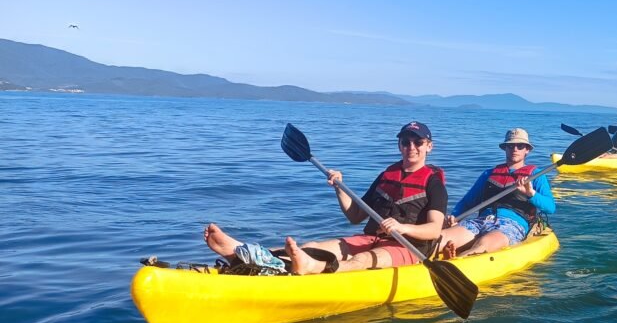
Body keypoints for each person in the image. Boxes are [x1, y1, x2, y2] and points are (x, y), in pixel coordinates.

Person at [204, 121, 449, 275]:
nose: (411, 147)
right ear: (399, 145)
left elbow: (434, 230)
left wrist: (402, 227)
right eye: (405, 142)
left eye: (418, 142)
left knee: (361, 260)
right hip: (370, 237)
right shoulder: (387, 175)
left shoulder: (433, 183)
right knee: (312, 247)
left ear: (429, 146)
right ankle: (242, 253)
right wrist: (339, 188)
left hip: (408, 248)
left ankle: (314, 268)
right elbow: (355, 216)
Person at [440, 128, 556, 257]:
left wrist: (531, 193)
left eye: (520, 146)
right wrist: (455, 216)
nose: (515, 149)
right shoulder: (488, 174)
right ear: (505, 148)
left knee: (484, 243)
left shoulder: (536, 176)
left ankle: (457, 260)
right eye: (510, 146)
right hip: (482, 220)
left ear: (527, 150)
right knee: (442, 237)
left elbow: (550, 207)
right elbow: (468, 201)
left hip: (511, 225)